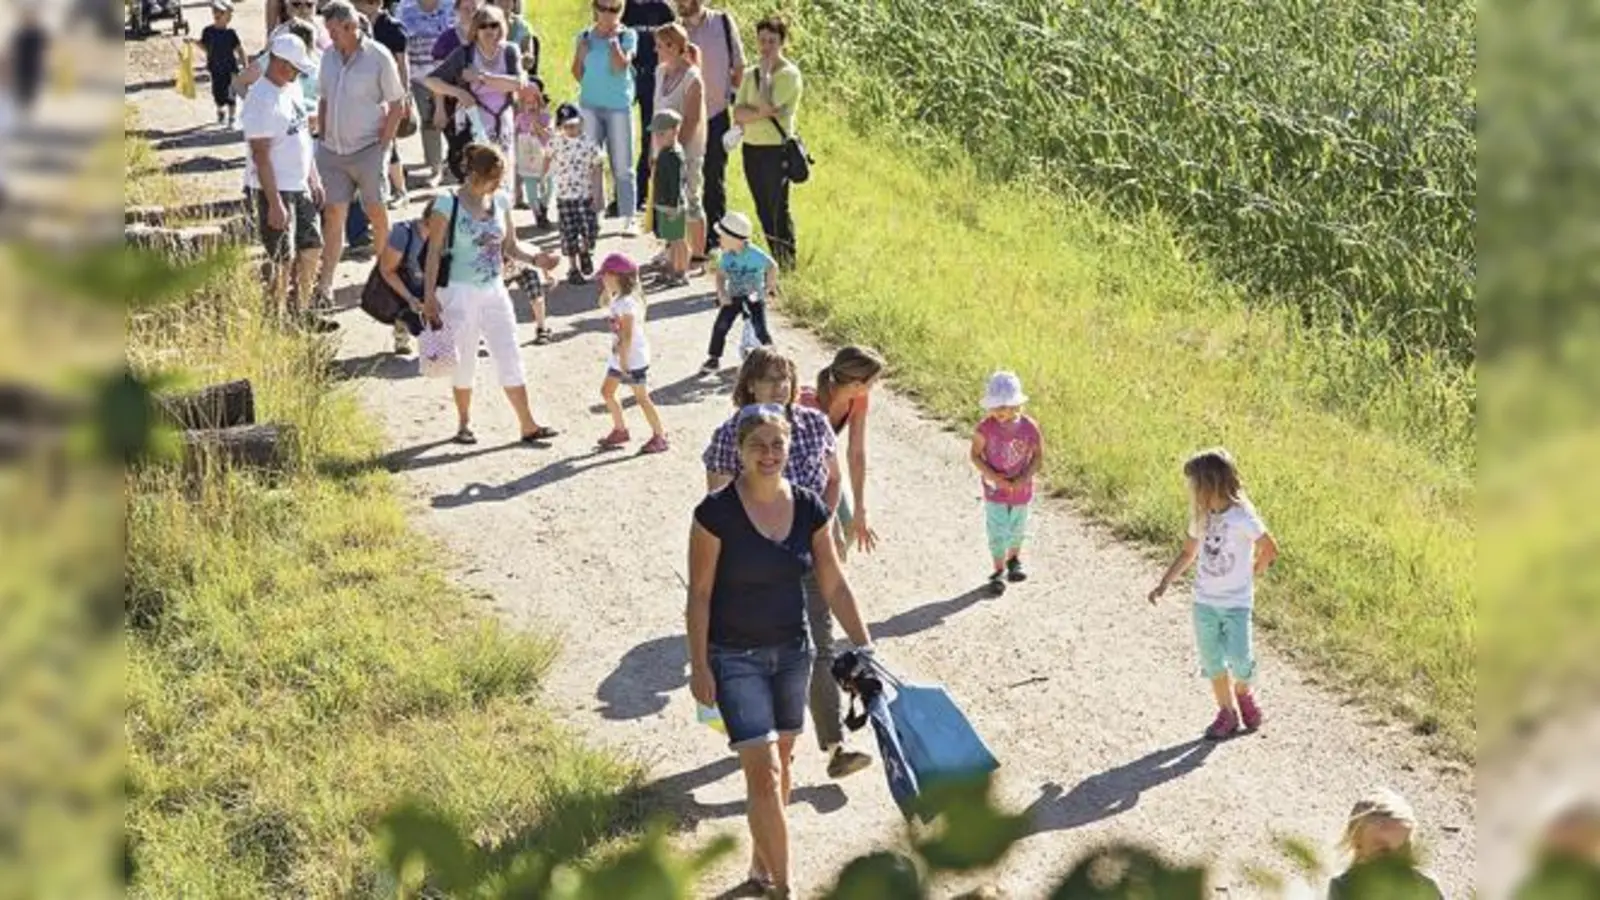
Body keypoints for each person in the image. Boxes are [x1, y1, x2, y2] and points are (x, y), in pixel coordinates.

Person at [686, 403, 875, 898]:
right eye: (757, 446)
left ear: (789, 448)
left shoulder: (810, 505)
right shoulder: (714, 514)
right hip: (734, 658)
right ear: (741, 451)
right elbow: (700, 594)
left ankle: (760, 861)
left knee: (782, 767)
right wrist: (700, 664)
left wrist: (865, 645)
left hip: (793, 654)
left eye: (777, 445)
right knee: (765, 773)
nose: (768, 454)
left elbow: (833, 582)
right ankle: (785, 888)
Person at [702, 349, 876, 781]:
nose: (779, 388)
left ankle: (835, 745)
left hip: (810, 553)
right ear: (750, 385)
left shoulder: (815, 424)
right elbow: (720, 507)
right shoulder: (730, 435)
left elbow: (833, 477)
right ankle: (769, 736)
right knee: (764, 651)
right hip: (757, 568)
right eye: (769, 380)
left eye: (785, 380)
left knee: (820, 646)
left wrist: (826, 518)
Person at [420, 143, 561, 446]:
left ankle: (528, 423)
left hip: (495, 289)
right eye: (492, 178)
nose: (496, 184)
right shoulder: (447, 203)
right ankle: (463, 423)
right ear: (474, 174)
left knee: (509, 351)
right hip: (458, 292)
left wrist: (538, 259)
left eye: (499, 179)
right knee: (465, 359)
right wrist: (429, 295)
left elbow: (510, 245)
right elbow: (433, 252)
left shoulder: (500, 200)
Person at [1147, 447, 1281, 740]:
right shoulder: (1202, 517)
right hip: (1204, 603)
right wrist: (1164, 582)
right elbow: (1188, 552)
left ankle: (1243, 692)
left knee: (1241, 660)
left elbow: (1270, 548)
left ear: (1210, 484)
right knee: (1212, 661)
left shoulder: (1242, 516)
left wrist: (1252, 573)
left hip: (1236, 604)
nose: (1191, 492)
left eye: (1194, 486)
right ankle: (1227, 713)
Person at [312, 0, 407, 306]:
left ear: (351, 27)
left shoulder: (378, 56)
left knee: (376, 212)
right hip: (333, 151)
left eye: (334, 30)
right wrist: (323, 136)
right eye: (327, 30)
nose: (330, 36)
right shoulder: (328, 56)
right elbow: (324, 99)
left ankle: (385, 279)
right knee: (333, 213)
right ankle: (325, 286)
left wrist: (384, 145)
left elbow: (398, 103)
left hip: (369, 149)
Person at [240, 33, 330, 330]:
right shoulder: (260, 99)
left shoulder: (290, 90)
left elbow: (303, 137)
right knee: (282, 258)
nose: (297, 74)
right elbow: (261, 155)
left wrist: (313, 178)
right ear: (278, 63)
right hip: (274, 189)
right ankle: (277, 319)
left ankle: (300, 310)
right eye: (293, 68)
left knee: (312, 246)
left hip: (299, 184)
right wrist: (275, 203)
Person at [425, 4, 525, 198]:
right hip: (475, 123)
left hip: (503, 122)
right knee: (479, 177)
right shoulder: (465, 54)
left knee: (504, 178)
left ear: (502, 26)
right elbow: (432, 80)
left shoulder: (510, 51)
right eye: (483, 26)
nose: (489, 30)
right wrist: (457, 93)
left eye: (494, 25)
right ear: (475, 29)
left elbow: (517, 83)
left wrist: (481, 77)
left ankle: (503, 221)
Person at [799, 346, 885, 560]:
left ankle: (825, 573)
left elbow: (856, 454)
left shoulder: (858, 398)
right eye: (873, 382)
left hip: (825, 471)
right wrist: (831, 521)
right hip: (795, 475)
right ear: (856, 384)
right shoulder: (806, 405)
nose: (874, 386)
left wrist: (859, 508)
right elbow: (807, 468)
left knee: (849, 527)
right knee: (821, 533)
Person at [731, 15, 799, 269]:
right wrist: (759, 112)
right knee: (761, 207)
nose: (766, 46)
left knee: (777, 207)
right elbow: (738, 113)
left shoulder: (788, 75)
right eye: (762, 41)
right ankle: (774, 262)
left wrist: (767, 77)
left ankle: (788, 262)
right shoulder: (750, 74)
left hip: (775, 150)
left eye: (772, 41)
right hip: (752, 148)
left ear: (782, 42)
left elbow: (766, 106)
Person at [674, 0, 741, 256]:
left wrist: (732, 98)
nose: (680, 3)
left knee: (714, 178)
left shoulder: (723, 23)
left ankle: (715, 240)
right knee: (681, 179)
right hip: (684, 118)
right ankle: (679, 243)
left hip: (716, 114)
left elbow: (739, 66)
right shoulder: (674, 30)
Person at [968, 371, 1043, 596]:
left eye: (1004, 406)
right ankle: (998, 570)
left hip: (1021, 488)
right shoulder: (985, 429)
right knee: (998, 529)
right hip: (995, 490)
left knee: (1018, 528)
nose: (998, 411)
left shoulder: (1029, 427)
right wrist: (995, 477)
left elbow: (1038, 456)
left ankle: (1014, 560)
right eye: (994, 406)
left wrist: (1024, 478)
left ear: (1016, 405)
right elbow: (975, 456)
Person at [570, 0, 640, 236]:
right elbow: (577, 73)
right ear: (595, 8)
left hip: (618, 107)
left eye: (615, 9)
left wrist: (613, 44)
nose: (608, 14)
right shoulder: (583, 36)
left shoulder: (627, 36)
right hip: (590, 106)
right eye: (604, 8)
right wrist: (580, 55)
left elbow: (620, 67)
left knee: (622, 164)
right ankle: (593, 213)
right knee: (591, 162)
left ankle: (629, 216)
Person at [594, 254, 669, 453]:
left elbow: (627, 335)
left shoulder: (627, 304)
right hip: (620, 357)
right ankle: (620, 430)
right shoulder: (619, 299)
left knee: (642, 398)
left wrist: (625, 361)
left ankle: (660, 436)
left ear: (615, 276)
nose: (602, 279)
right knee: (607, 392)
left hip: (632, 358)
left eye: (605, 276)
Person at [651, 22, 706, 262]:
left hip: (686, 150)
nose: (658, 50)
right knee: (667, 200)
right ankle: (673, 250)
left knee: (691, 198)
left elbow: (692, 120)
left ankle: (697, 255)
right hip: (661, 148)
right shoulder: (660, 71)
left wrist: (675, 151)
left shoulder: (693, 78)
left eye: (662, 45)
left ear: (675, 47)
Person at [1327, 789, 1445, 900]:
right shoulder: (1343, 889)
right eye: (1383, 851)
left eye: (1403, 849)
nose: (1395, 860)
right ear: (1357, 843)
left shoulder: (1425, 886)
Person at [352, 0, 412, 205]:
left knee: (389, 142)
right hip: (363, 95)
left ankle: (399, 190)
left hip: (387, 94)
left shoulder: (393, 28)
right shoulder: (353, 22)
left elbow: (403, 65)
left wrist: (404, 96)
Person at [700, 211, 774, 373]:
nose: (719, 240)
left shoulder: (755, 254)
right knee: (721, 326)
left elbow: (772, 266)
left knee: (758, 326)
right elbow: (720, 275)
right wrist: (721, 293)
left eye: (722, 237)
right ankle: (714, 359)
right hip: (733, 296)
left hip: (754, 296)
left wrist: (769, 287)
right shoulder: (727, 256)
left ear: (735, 239)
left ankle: (771, 356)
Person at [621, 0, 675, 216]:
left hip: (655, 79)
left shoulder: (663, 9)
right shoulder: (625, 8)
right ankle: (622, 195)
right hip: (625, 79)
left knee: (648, 135)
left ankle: (642, 193)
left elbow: (675, 44)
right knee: (622, 137)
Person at [397, 0, 454, 184]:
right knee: (429, 121)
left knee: (452, 121)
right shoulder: (405, 9)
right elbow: (401, 44)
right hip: (419, 75)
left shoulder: (450, 6)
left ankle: (453, 164)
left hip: (448, 76)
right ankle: (435, 168)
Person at [549, 102, 603, 284]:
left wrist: (598, 193)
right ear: (560, 126)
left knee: (590, 230)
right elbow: (547, 156)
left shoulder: (588, 143)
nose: (571, 129)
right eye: (566, 126)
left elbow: (597, 167)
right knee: (568, 233)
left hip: (585, 195)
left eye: (574, 124)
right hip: (565, 196)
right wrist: (543, 177)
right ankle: (572, 268)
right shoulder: (556, 141)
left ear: (581, 121)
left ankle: (585, 251)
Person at [374, 215, 430, 353]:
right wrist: (409, 298)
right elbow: (387, 270)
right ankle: (401, 335)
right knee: (405, 308)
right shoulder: (403, 233)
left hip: (433, 282)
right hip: (408, 282)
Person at [648, 109, 690, 287]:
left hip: (673, 206)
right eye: (656, 134)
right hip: (665, 204)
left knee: (678, 241)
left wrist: (674, 206)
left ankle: (681, 272)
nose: (657, 138)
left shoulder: (673, 155)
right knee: (671, 241)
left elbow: (676, 184)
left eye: (662, 134)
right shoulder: (666, 151)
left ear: (675, 131)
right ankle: (671, 268)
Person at [192, 0, 247, 129]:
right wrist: (194, 42)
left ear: (229, 16)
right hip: (215, 69)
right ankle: (220, 109)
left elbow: (240, 50)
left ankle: (232, 118)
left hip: (230, 70)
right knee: (218, 94)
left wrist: (245, 66)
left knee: (231, 94)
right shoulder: (208, 31)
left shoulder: (231, 34)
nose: (217, 14)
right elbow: (205, 47)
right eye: (215, 11)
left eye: (221, 12)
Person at [514, 79, 554, 229]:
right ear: (522, 105)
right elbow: (514, 134)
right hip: (527, 159)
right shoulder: (519, 119)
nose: (531, 106)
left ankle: (544, 206)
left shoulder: (546, 117)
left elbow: (549, 136)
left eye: (534, 102)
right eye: (527, 103)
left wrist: (538, 127)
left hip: (545, 160)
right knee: (531, 189)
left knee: (549, 188)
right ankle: (537, 213)